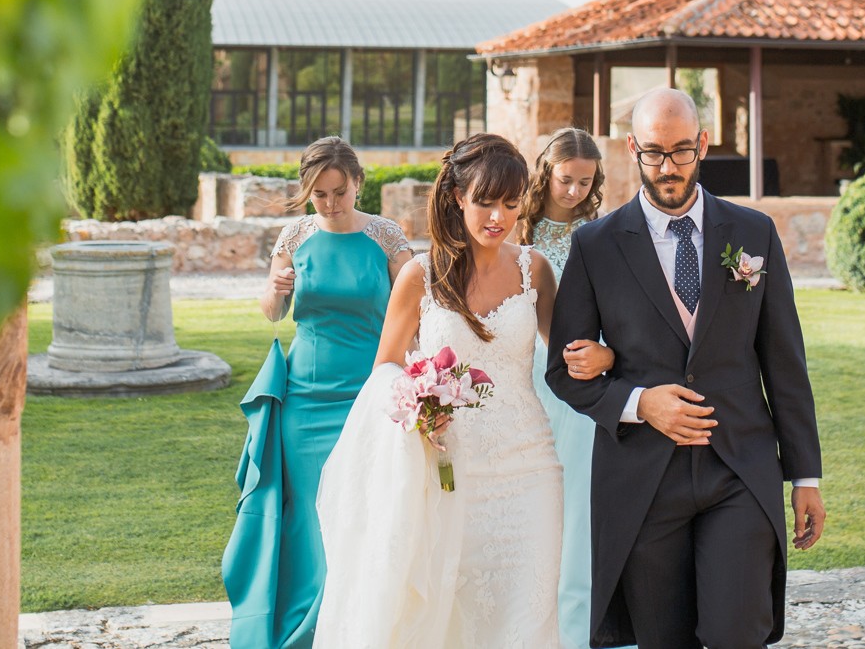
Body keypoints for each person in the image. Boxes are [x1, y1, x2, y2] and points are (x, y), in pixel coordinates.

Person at [310, 133, 615, 648]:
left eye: (512, 204)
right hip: (452, 472)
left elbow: (567, 353)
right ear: (457, 197)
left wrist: (605, 355)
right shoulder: (419, 276)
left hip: (532, 467)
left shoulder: (533, 269)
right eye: (485, 202)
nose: (498, 217)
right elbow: (385, 368)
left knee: (529, 613)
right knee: (454, 615)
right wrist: (416, 402)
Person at [547, 89, 825, 649]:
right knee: (663, 638)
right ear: (632, 149)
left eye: (680, 152)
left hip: (739, 469)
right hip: (643, 480)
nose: (668, 168)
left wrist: (806, 477)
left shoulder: (753, 234)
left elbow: (784, 362)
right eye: (653, 153)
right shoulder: (595, 245)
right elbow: (562, 369)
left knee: (735, 631)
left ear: (702, 144)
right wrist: (638, 402)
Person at [222, 137, 412, 649]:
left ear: (358, 183)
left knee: (362, 510)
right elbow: (270, 312)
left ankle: (359, 624)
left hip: (369, 394)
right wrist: (274, 290)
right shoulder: (295, 234)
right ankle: (308, 627)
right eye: (319, 195)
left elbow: (416, 314)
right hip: (304, 398)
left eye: (339, 192)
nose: (330, 204)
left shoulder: (387, 237)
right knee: (309, 514)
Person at [519, 128, 628, 649]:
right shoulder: (517, 230)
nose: (575, 192)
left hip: (581, 383)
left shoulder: (603, 234)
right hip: (524, 379)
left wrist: (607, 356)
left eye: (586, 182)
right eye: (566, 180)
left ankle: (577, 623)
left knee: (578, 504)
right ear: (546, 174)